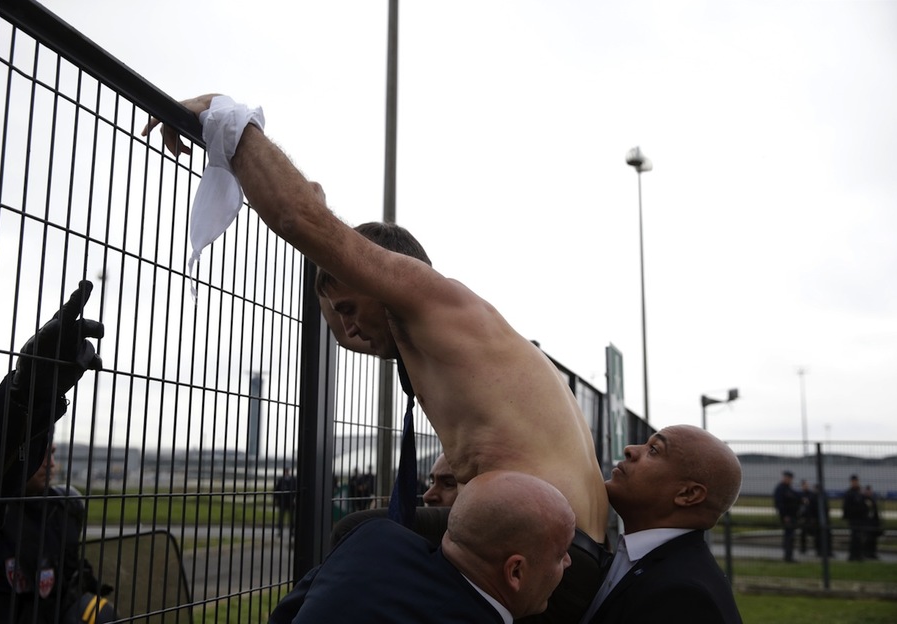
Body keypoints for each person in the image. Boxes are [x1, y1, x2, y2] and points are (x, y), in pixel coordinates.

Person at [146, 94, 610, 621]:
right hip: (570, 548)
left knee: (362, 540)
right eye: (333, 314)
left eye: (349, 308)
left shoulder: (429, 295)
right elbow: (316, 226)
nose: (345, 329)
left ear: (380, 278)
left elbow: (301, 219)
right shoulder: (462, 338)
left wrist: (221, 115)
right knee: (369, 536)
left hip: (541, 550)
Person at [0, 281, 104, 619]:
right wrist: (27, 396)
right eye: (45, 452)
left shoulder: (61, 513)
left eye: (54, 453)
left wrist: (32, 397)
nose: (51, 464)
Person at [269, 470, 575, 624]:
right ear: (516, 571)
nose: (569, 562)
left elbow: (285, 614)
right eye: (561, 554)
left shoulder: (372, 539)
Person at [580, 425, 743, 624]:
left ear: (688, 494)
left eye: (654, 450)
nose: (630, 449)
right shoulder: (649, 563)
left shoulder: (684, 598)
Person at [0, 445, 116, 624]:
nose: (51, 464)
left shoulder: (64, 509)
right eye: (40, 454)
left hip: (56, 613)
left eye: (52, 454)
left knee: (103, 615)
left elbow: (70, 570)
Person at [772, 470, 800, 562]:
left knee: (791, 536)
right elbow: (779, 503)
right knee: (789, 536)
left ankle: (789, 556)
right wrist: (784, 515)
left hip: (793, 516)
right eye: (787, 478)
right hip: (787, 517)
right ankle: (788, 557)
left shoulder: (789, 489)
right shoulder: (781, 489)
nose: (789, 480)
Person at [842, 475, 867, 562]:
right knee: (854, 537)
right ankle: (853, 555)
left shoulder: (860, 492)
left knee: (859, 537)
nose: (855, 483)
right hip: (854, 519)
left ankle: (859, 555)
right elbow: (846, 507)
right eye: (854, 481)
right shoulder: (849, 493)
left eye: (856, 481)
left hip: (861, 519)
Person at [798, 479, 819, 555]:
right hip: (804, 517)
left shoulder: (811, 494)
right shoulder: (800, 495)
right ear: (802, 486)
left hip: (810, 517)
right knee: (803, 534)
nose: (806, 486)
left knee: (814, 533)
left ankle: (817, 548)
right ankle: (803, 548)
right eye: (804, 485)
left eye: (807, 485)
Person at [274, 468, 297, 536]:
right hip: (283, 502)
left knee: (291, 518)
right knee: (281, 518)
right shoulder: (282, 480)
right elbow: (277, 490)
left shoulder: (292, 480)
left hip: (289, 502)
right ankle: (280, 531)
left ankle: (291, 531)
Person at [861, 485, 882, 560]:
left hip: (873, 524)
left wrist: (878, 523)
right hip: (867, 524)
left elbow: (875, 513)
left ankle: (872, 553)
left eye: (870, 491)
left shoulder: (873, 501)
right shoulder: (863, 500)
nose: (869, 492)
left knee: (873, 540)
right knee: (867, 539)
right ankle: (866, 553)